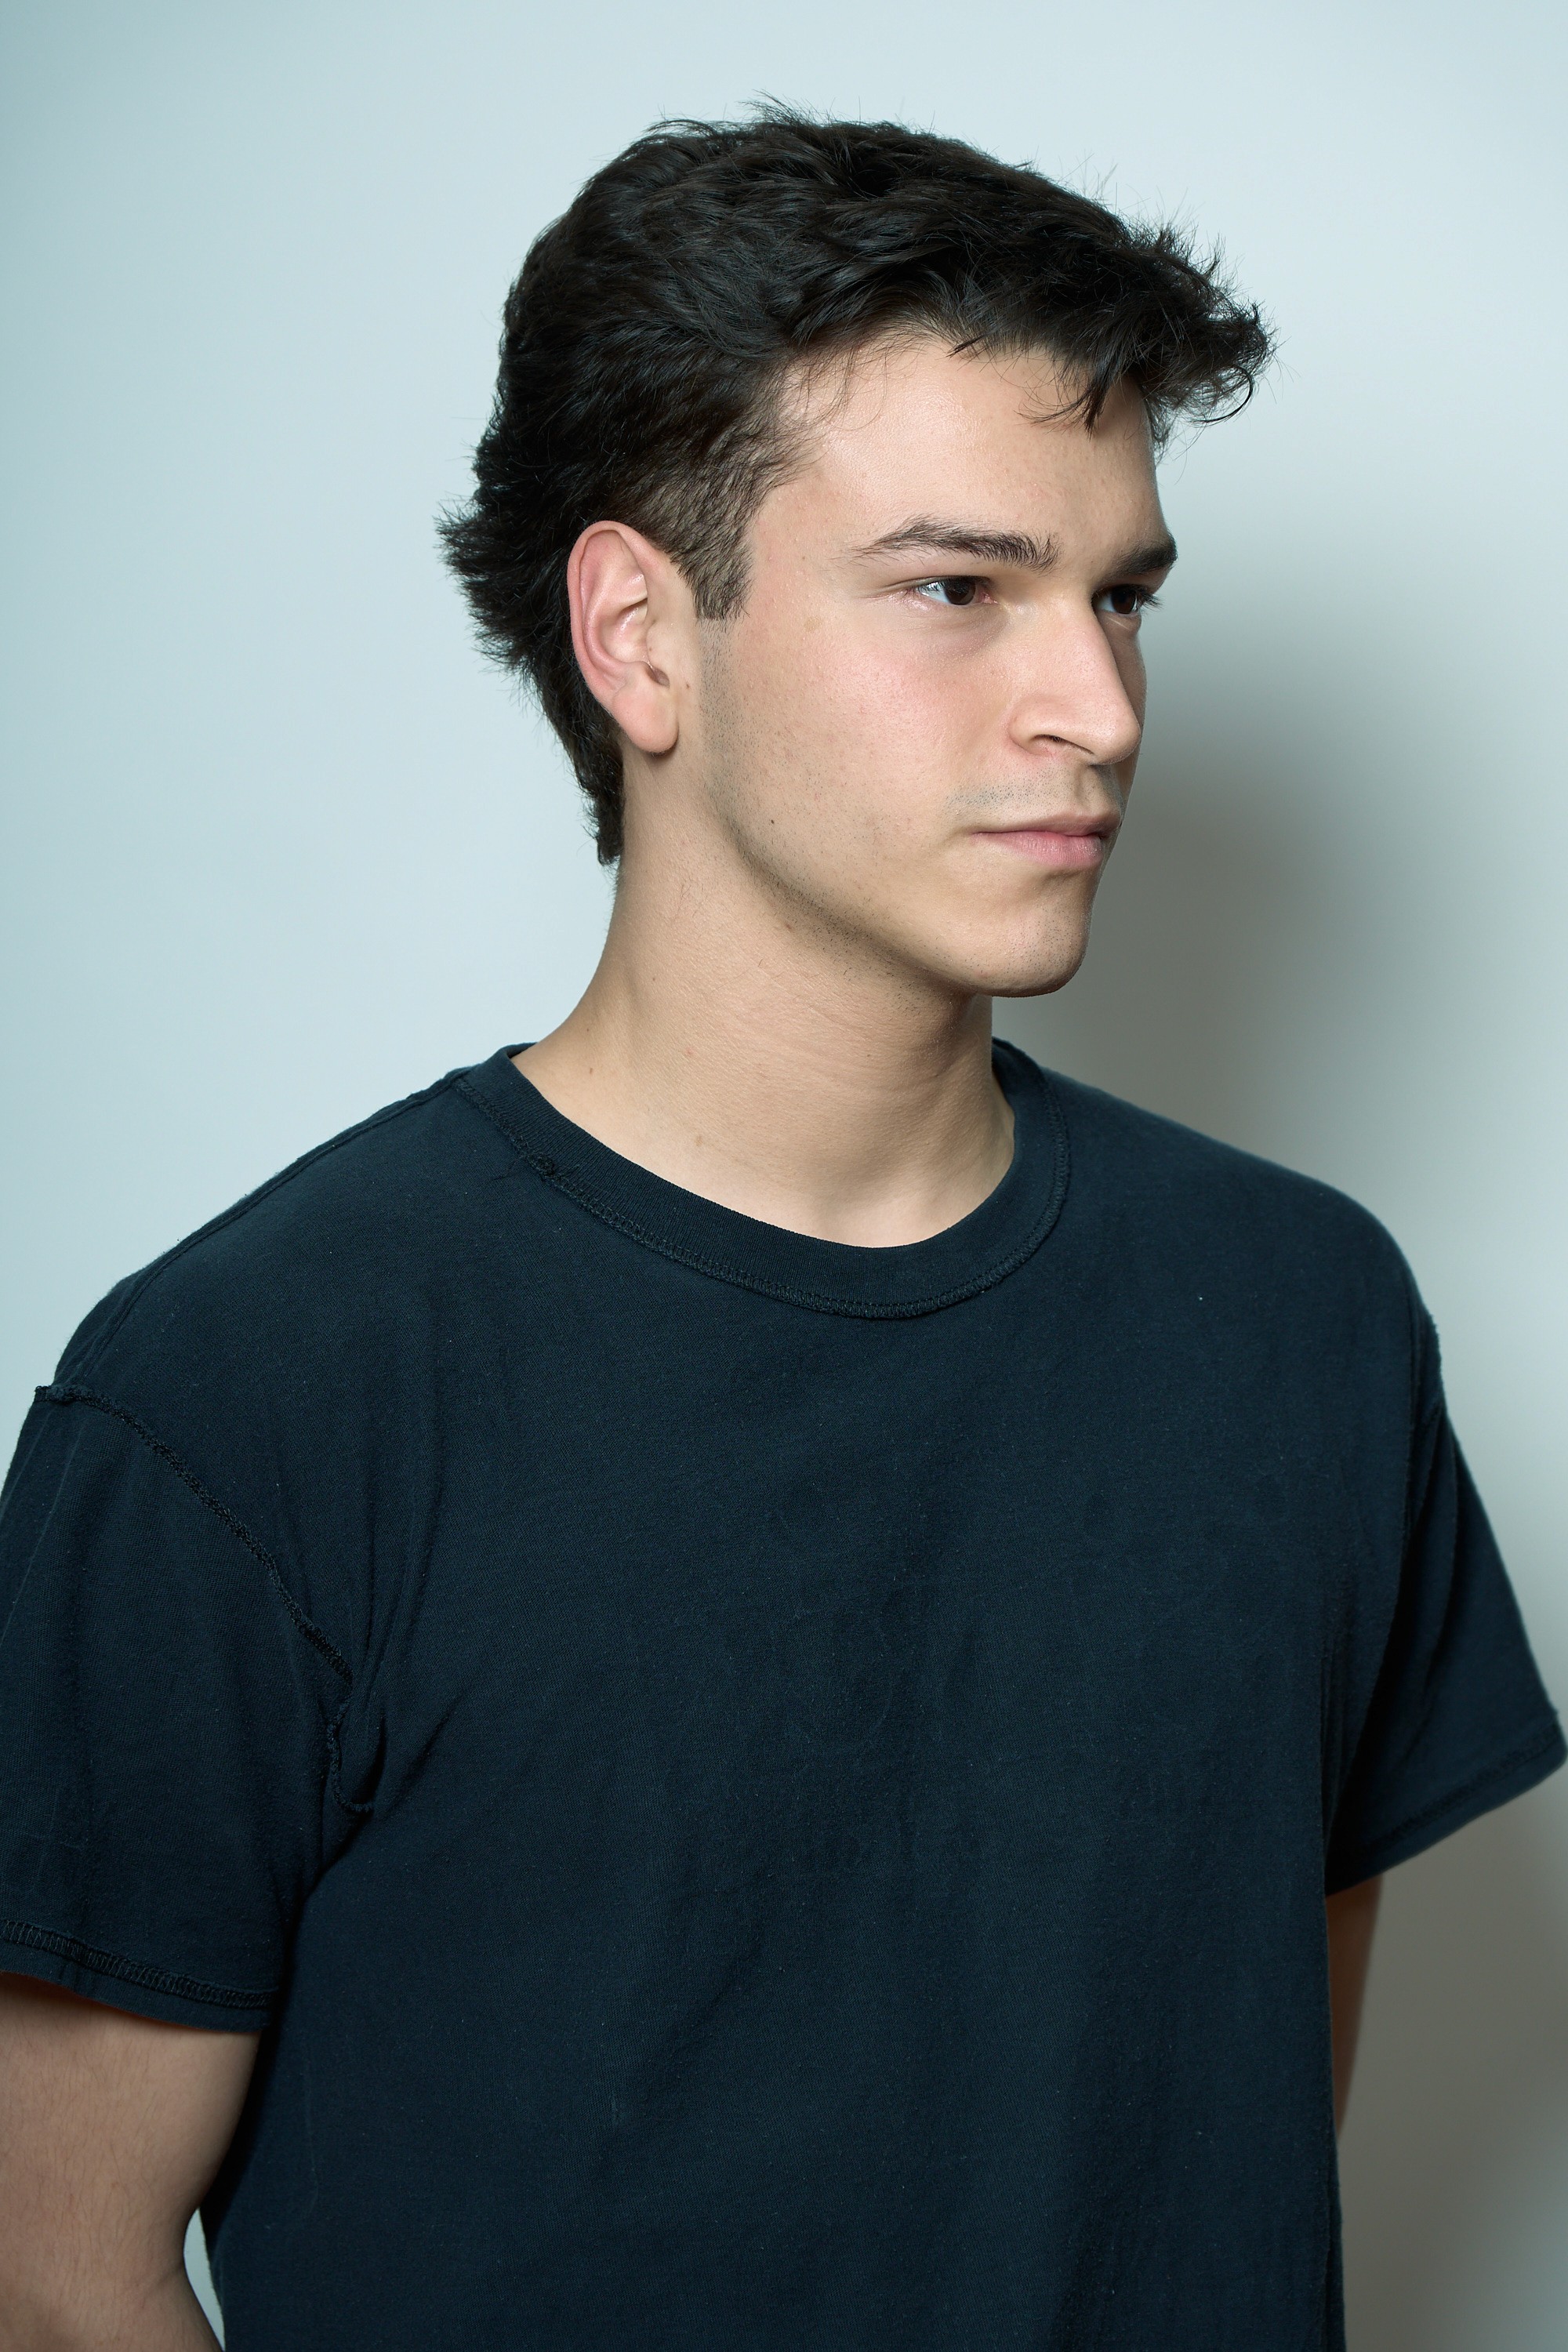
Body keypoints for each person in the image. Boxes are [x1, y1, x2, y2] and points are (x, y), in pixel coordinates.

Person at [0, 110, 1559, 2352]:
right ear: (640, 636)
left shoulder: (1305, 1321)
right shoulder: (252, 1398)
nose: (1099, 709)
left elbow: (1221, 2144)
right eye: (959, 591)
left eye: (1121, 595)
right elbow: (58, 2275)